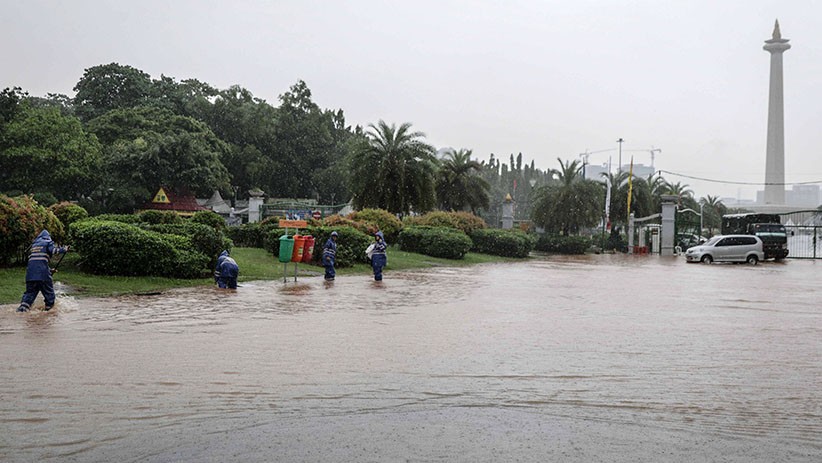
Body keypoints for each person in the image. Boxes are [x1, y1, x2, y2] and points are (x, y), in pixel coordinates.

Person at [17, 230, 67, 312]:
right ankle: (49, 311)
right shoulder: (48, 242)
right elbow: (54, 250)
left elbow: (37, 263)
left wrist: (49, 270)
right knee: (49, 294)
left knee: (29, 294)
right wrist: (64, 249)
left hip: (30, 275)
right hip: (43, 276)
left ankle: (22, 309)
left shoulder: (33, 246)